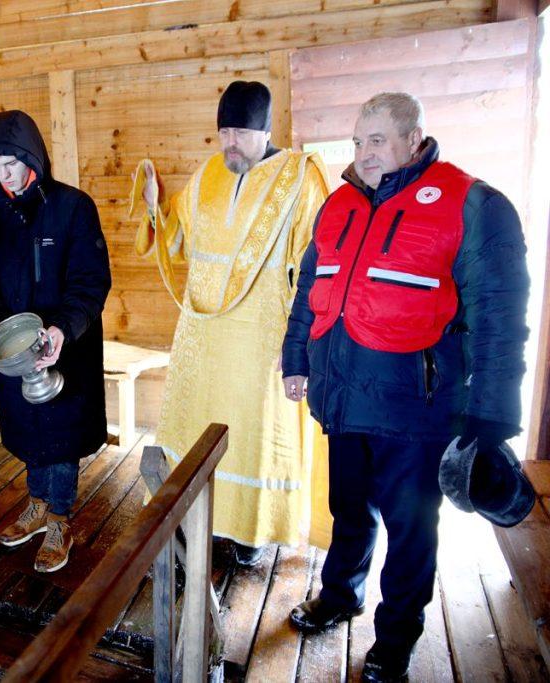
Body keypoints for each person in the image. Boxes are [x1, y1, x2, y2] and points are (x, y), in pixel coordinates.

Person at [281, 92, 528, 681]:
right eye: (357, 141)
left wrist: (491, 418)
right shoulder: (337, 204)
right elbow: (309, 292)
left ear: (414, 139)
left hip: (417, 411)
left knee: (411, 529)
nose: (363, 154)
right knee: (349, 511)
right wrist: (296, 358)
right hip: (343, 398)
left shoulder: (472, 203)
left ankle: (395, 639)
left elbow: (499, 315)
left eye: (377, 140)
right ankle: (340, 595)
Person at [134, 81, 329, 566]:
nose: (229, 144)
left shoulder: (301, 179)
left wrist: (302, 340)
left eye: (239, 133)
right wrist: (157, 207)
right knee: (201, 423)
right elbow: (176, 237)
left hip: (262, 337)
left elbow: (317, 265)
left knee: (255, 430)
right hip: (205, 332)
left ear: (265, 130)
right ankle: (201, 511)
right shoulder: (208, 175)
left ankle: (254, 531)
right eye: (223, 132)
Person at [0, 110, 111, 573]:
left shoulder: (73, 207)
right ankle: (35, 504)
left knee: (61, 430)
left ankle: (59, 518)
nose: (4, 174)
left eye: (11, 162)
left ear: (31, 155)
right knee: (27, 426)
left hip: (65, 341)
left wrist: (62, 329)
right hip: (14, 346)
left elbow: (91, 282)